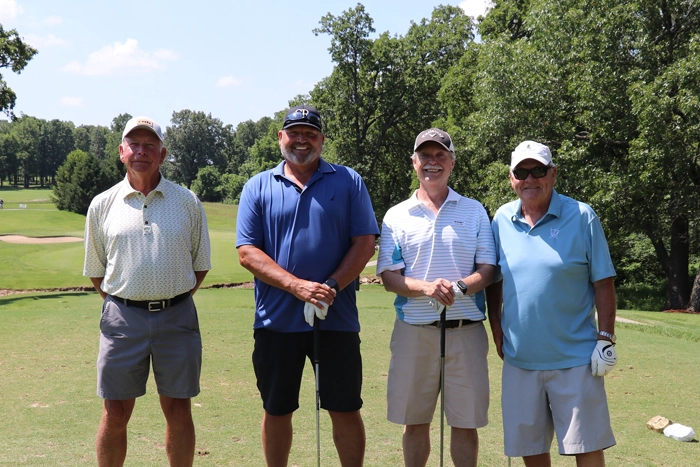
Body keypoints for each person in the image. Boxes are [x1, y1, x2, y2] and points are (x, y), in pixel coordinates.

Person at [236, 104, 379, 467]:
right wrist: (298, 286)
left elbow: (364, 242)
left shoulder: (348, 180)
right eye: (294, 133)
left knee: (345, 407)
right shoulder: (258, 186)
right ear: (281, 137)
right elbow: (248, 253)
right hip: (275, 322)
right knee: (277, 408)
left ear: (322, 139)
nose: (302, 140)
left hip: (336, 318)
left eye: (310, 134)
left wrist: (330, 285)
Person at [83, 116, 211, 467]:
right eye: (134, 144)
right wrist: (126, 301)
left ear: (162, 153)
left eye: (149, 145)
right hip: (122, 318)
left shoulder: (186, 201)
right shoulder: (102, 204)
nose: (141, 151)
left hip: (177, 316)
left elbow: (199, 265)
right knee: (116, 409)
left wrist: (171, 296)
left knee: (178, 407)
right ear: (122, 152)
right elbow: (97, 271)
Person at [486, 141, 617, 467]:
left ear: (553, 174)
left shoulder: (582, 216)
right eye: (522, 172)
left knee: (586, 447)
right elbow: (494, 279)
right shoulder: (501, 219)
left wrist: (606, 338)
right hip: (521, 361)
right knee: (531, 451)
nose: (530, 179)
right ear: (511, 177)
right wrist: (497, 326)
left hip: (576, 359)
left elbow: (604, 282)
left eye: (539, 171)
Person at [376, 128, 496, 467]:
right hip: (414, 331)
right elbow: (388, 277)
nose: (433, 162)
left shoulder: (473, 210)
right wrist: (427, 288)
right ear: (414, 162)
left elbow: (489, 269)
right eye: (425, 155)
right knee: (414, 422)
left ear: (452, 162)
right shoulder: (396, 215)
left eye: (440, 155)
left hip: (466, 330)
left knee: (465, 423)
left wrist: (459, 287)